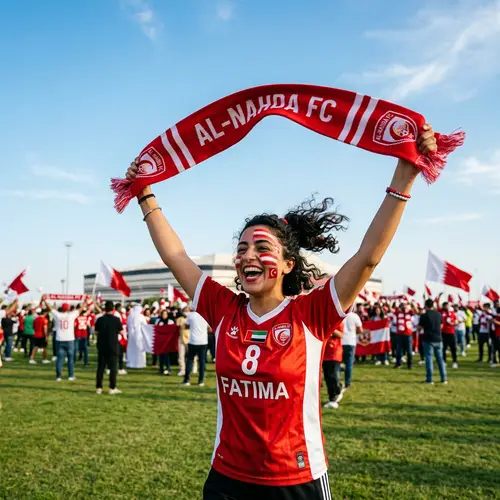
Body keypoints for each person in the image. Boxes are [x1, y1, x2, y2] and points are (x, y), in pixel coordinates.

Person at [126, 124, 437, 498]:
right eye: (241, 250)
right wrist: (144, 194)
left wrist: (406, 173)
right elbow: (176, 256)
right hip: (227, 479)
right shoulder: (223, 309)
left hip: (296, 481)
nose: (248, 257)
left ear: (288, 264)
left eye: (261, 247)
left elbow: (367, 258)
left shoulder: (312, 313)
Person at [42, 298, 86, 381]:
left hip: (59, 339)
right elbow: (80, 310)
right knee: (70, 358)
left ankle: (58, 376)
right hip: (69, 339)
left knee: (60, 359)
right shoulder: (71, 315)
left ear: (62, 308)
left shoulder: (58, 315)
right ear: (68, 308)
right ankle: (70, 375)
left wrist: (45, 300)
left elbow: (50, 308)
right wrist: (86, 302)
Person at [95, 301, 123, 394]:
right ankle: (112, 387)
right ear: (113, 309)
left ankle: (99, 387)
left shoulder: (99, 319)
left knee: (101, 368)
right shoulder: (116, 319)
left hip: (102, 346)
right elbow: (122, 332)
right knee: (113, 368)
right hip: (113, 345)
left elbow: (96, 332)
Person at [419, 299, 447, 384]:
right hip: (438, 338)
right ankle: (444, 379)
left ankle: (430, 379)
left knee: (429, 359)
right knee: (440, 359)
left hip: (428, 339)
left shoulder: (424, 315)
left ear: (426, 306)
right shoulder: (438, 314)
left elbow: (420, 326)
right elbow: (441, 325)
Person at [181, 310, 209, 387]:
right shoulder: (206, 314)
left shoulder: (191, 315)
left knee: (189, 361)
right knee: (202, 362)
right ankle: (201, 381)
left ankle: (187, 380)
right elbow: (209, 328)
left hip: (193, 341)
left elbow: (186, 325)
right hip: (203, 341)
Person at [322, 323, 344, 409]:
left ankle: (333, 398)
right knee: (327, 377)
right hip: (324, 353)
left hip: (334, 353)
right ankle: (336, 390)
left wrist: (330, 328)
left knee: (332, 376)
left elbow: (341, 335)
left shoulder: (338, 321)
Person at [341, 311, 362, 389]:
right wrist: (354, 332)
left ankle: (337, 381)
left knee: (338, 363)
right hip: (351, 341)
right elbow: (360, 330)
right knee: (349, 364)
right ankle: (347, 383)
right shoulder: (355, 316)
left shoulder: (340, 315)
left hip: (341, 341)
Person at [126, 304, 148, 369]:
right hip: (139, 335)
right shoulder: (141, 316)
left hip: (131, 336)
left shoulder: (130, 316)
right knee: (139, 349)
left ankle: (131, 363)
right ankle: (140, 364)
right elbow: (145, 325)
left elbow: (127, 325)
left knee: (131, 349)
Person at [395, 303, 413, 369]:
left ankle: (410, 365)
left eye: (405, 306)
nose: (404, 307)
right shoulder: (398, 313)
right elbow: (390, 309)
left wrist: (411, 304)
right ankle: (398, 364)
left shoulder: (410, 312)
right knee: (398, 350)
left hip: (408, 334)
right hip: (400, 334)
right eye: (403, 306)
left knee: (409, 351)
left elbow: (416, 311)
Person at [441, 302, 458, 369]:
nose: (446, 307)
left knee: (453, 348)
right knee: (443, 348)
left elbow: (456, 322)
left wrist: (452, 323)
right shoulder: (441, 313)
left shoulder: (452, 313)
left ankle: (454, 362)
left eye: (447, 306)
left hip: (451, 333)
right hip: (443, 333)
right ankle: (444, 362)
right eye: (445, 306)